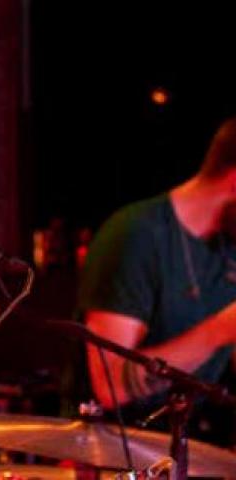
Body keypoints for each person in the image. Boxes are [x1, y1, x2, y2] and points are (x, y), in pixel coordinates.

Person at [76, 117, 236, 438]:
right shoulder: (136, 236)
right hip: (114, 451)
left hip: (196, 447)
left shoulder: (226, 245)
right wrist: (221, 329)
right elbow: (112, 387)